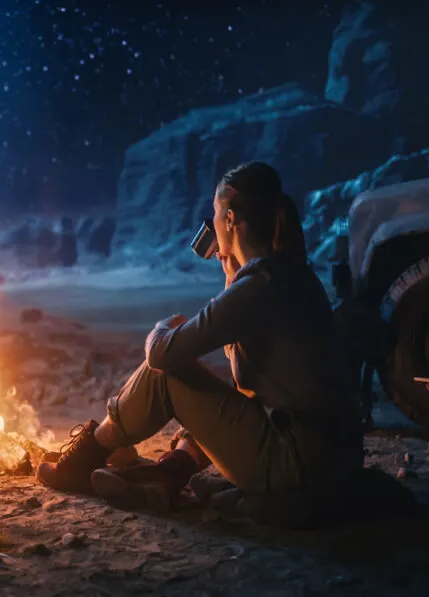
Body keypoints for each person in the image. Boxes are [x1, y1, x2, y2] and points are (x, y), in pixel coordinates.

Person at [36, 162, 366, 526]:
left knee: (167, 376)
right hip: (332, 457)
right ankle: (170, 472)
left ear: (229, 220)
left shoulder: (260, 285)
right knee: (214, 391)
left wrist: (161, 327)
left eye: (214, 214)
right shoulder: (289, 274)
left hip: (297, 462)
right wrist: (231, 272)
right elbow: (242, 366)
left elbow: (163, 355)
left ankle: (84, 459)